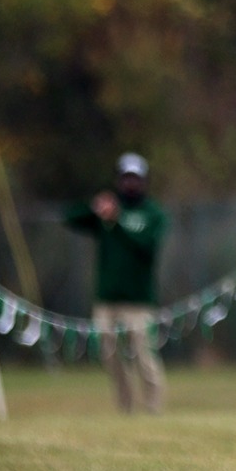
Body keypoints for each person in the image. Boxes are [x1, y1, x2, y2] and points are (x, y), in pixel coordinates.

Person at [64, 152, 169, 413]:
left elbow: (146, 246)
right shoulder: (107, 211)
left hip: (139, 300)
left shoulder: (153, 213)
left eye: (135, 178)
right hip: (106, 298)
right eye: (125, 178)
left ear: (143, 180)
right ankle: (125, 405)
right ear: (119, 180)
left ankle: (153, 406)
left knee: (144, 355)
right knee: (108, 354)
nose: (130, 183)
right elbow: (70, 218)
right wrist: (95, 207)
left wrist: (117, 222)